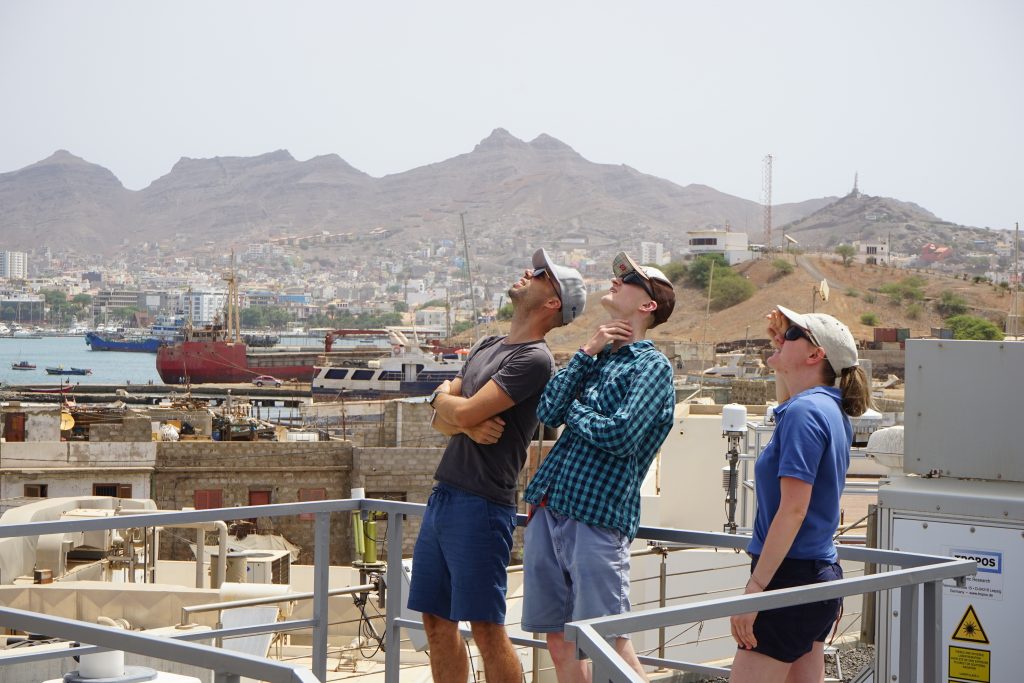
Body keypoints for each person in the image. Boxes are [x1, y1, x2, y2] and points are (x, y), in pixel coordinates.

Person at [408, 248, 586, 683]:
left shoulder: (534, 360)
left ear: (552, 303)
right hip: (446, 493)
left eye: (541, 274)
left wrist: (458, 413)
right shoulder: (489, 345)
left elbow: (461, 413)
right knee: (435, 622)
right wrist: (453, 411)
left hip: (483, 503)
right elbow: (444, 418)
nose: (528, 271)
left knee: (487, 628)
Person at [521, 252, 677, 683]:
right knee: (557, 636)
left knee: (607, 635)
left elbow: (622, 435)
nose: (616, 280)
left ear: (648, 305)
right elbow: (549, 411)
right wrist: (587, 352)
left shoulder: (652, 367)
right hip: (550, 507)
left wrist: (577, 413)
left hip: (597, 516)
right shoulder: (598, 357)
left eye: (628, 279)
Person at [729, 305, 871, 683]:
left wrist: (756, 591)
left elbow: (793, 510)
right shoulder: (824, 407)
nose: (781, 336)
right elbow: (788, 403)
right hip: (816, 576)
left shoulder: (805, 413)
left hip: (787, 578)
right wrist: (781, 352)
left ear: (815, 354)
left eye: (792, 334)